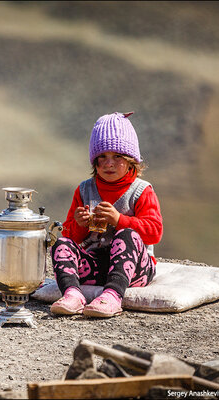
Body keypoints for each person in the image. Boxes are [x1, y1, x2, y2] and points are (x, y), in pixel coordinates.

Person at [50, 111, 163, 318]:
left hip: (134, 270)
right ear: (94, 161)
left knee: (126, 235)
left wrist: (119, 220)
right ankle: (73, 294)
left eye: (117, 156)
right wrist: (80, 223)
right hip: (95, 267)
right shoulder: (84, 190)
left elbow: (154, 232)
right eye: (102, 157)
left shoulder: (141, 190)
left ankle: (112, 296)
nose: (108, 163)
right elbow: (70, 236)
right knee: (61, 244)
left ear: (131, 160)